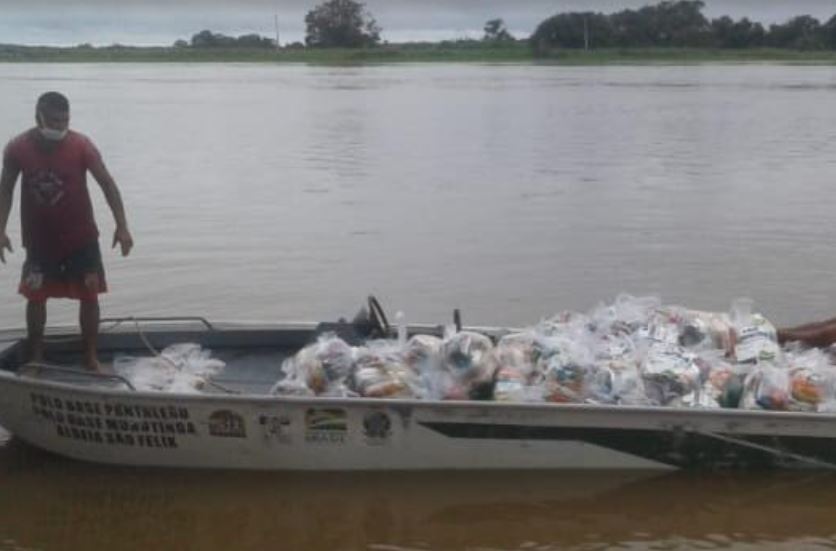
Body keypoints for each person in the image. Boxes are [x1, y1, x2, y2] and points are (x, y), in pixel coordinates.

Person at [0, 91, 133, 372]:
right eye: (54, 121)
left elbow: (108, 185)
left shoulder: (82, 145)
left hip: (81, 238)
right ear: (39, 117)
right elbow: (5, 190)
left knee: (90, 295)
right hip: (39, 240)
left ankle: (90, 357)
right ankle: (36, 355)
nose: (60, 127)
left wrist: (122, 226)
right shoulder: (17, 148)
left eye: (65, 121)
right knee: (35, 297)